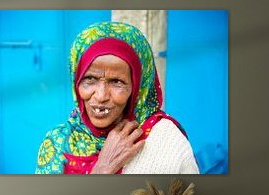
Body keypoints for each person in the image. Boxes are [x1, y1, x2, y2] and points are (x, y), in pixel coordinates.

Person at [35, 21, 199, 174]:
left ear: (137, 88)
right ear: (75, 82)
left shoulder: (165, 140)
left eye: (117, 82)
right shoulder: (58, 143)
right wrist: (102, 170)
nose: (101, 96)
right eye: (89, 79)